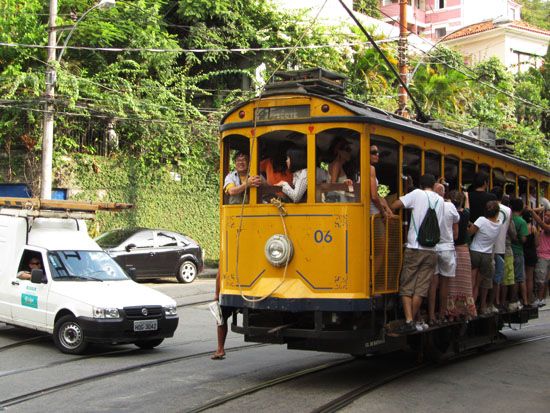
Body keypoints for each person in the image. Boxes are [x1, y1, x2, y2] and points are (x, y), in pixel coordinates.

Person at [390, 173, 444, 333]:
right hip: (432, 251)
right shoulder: (440, 201)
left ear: (420, 184)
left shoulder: (417, 194)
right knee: (420, 288)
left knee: (407, 286)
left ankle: (408, 320)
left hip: (415, 247)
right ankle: (412, 320)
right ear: (434, 185)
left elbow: (395, 205)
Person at [428, 183, 459, 325]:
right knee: (444, 283)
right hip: (446, 248)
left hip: (432, 247)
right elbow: (456, 232)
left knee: (433, 284)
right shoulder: (450, 206)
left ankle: (431, 315)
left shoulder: (428, 203)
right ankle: (441, 314)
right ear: (443, 193)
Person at [446, 191, 477, 321]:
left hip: (452, 249)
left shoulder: (450, 214)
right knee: (465, 283)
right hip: (463, 251)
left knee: (452, 283)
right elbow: (468, 207)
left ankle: (452, 311)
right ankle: (465, 309)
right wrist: (467, 196)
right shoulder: (465, 214)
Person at [468, 200, 502, 315]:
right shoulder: (499, 223)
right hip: (487, 255)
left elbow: (470, 233)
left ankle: (469, 307)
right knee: (478, 284)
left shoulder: (481, 220)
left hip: (475, 252)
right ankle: (476, 309)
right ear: (497, 213)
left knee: (472, 283)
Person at [490, 186, 512, 312]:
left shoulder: (489, 207)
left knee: (488, 277)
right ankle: (495, 302)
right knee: (497, 279)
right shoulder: (508, 210)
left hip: (489, 247)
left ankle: (489, 302)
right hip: (501, 247)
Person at [509, 198, 529, 311]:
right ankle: (516, 300)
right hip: (518, 252)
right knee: (519, 278)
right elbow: (523, 239)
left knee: (510, 277)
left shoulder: (510, 219)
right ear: (521, 208)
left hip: (509, 250)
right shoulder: (522, 222)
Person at [211, 270, 232, 360]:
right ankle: (220, 349)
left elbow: (219, 274)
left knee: (220, 319)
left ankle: (220, 349)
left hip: (231, 289)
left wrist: (216, 294)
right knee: (221, 318)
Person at [326, 137, 355, 202]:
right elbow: (332, 187)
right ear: (339, 151)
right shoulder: (336, 165)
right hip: (339, 204)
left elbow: (349, 190)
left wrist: (349, 186)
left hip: (341, 201)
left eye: (350, 150)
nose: (350, 152)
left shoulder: (338, 165)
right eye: (348, 149)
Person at [531, 209, 550, 307]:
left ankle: (539, 298)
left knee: (541, 280)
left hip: (544, 256)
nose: (546, 217)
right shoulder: (542, 229)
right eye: (545, 215)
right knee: (544, 279)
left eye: (548, 216)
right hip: (543, 255)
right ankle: (541, 298)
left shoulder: (546, 227)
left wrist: (532, 212)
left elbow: (541, 223)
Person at [370, 145, 393, 219]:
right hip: (374, 212)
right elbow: (374, 196)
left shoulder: (358, 170)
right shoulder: (371, 169)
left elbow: (378, 193)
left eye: (378, 153)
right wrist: (383, 211)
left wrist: (387, 207)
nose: (377, 154)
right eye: (373, 152)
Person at [522, 210, 538, 306]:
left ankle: (524, 300)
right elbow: (536, 243)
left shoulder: (522, 228)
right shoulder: (534, 228)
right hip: (532, 253)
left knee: (522, 277)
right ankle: (529, 298)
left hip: (523, 252)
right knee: (530, 278)